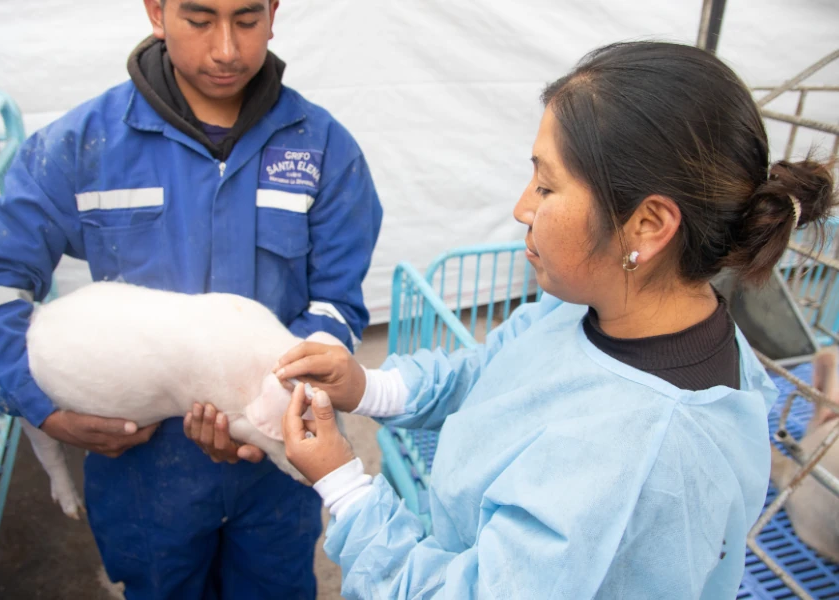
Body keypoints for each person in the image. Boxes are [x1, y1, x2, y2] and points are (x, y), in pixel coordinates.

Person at [267, 41, 837, 598]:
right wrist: (370, 387)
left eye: (546, 185)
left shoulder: (642, 458)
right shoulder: (591, 308)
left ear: (647, 225)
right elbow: (490, 373)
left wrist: (344, 486)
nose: (522, 207)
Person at [0, 0, 382, 598]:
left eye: (248, 20)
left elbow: (337, 301)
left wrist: (273, 397)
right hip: (144, 469)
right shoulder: (84, 143)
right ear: (156, 11)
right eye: (200, 21)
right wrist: (39, 403)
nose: (227, 49)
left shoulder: (323, 150)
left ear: (275, 11)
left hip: (275, 461)